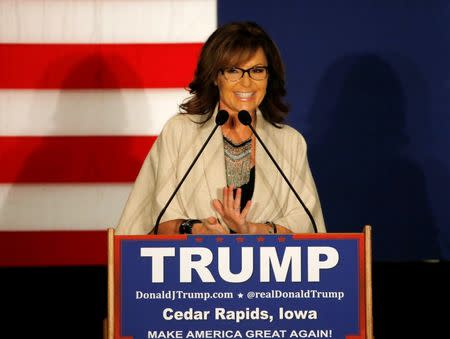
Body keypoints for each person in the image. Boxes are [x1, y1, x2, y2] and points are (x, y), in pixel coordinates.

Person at [116, 21, 326, 235]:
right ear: (215, 77)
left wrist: (253, 230)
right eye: (233, 71)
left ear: (269, 77)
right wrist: (198, 230)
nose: (247, 83)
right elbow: (154, 219)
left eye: (257, 70)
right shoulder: (179, 132)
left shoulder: (289, 142)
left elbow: (305, 223)